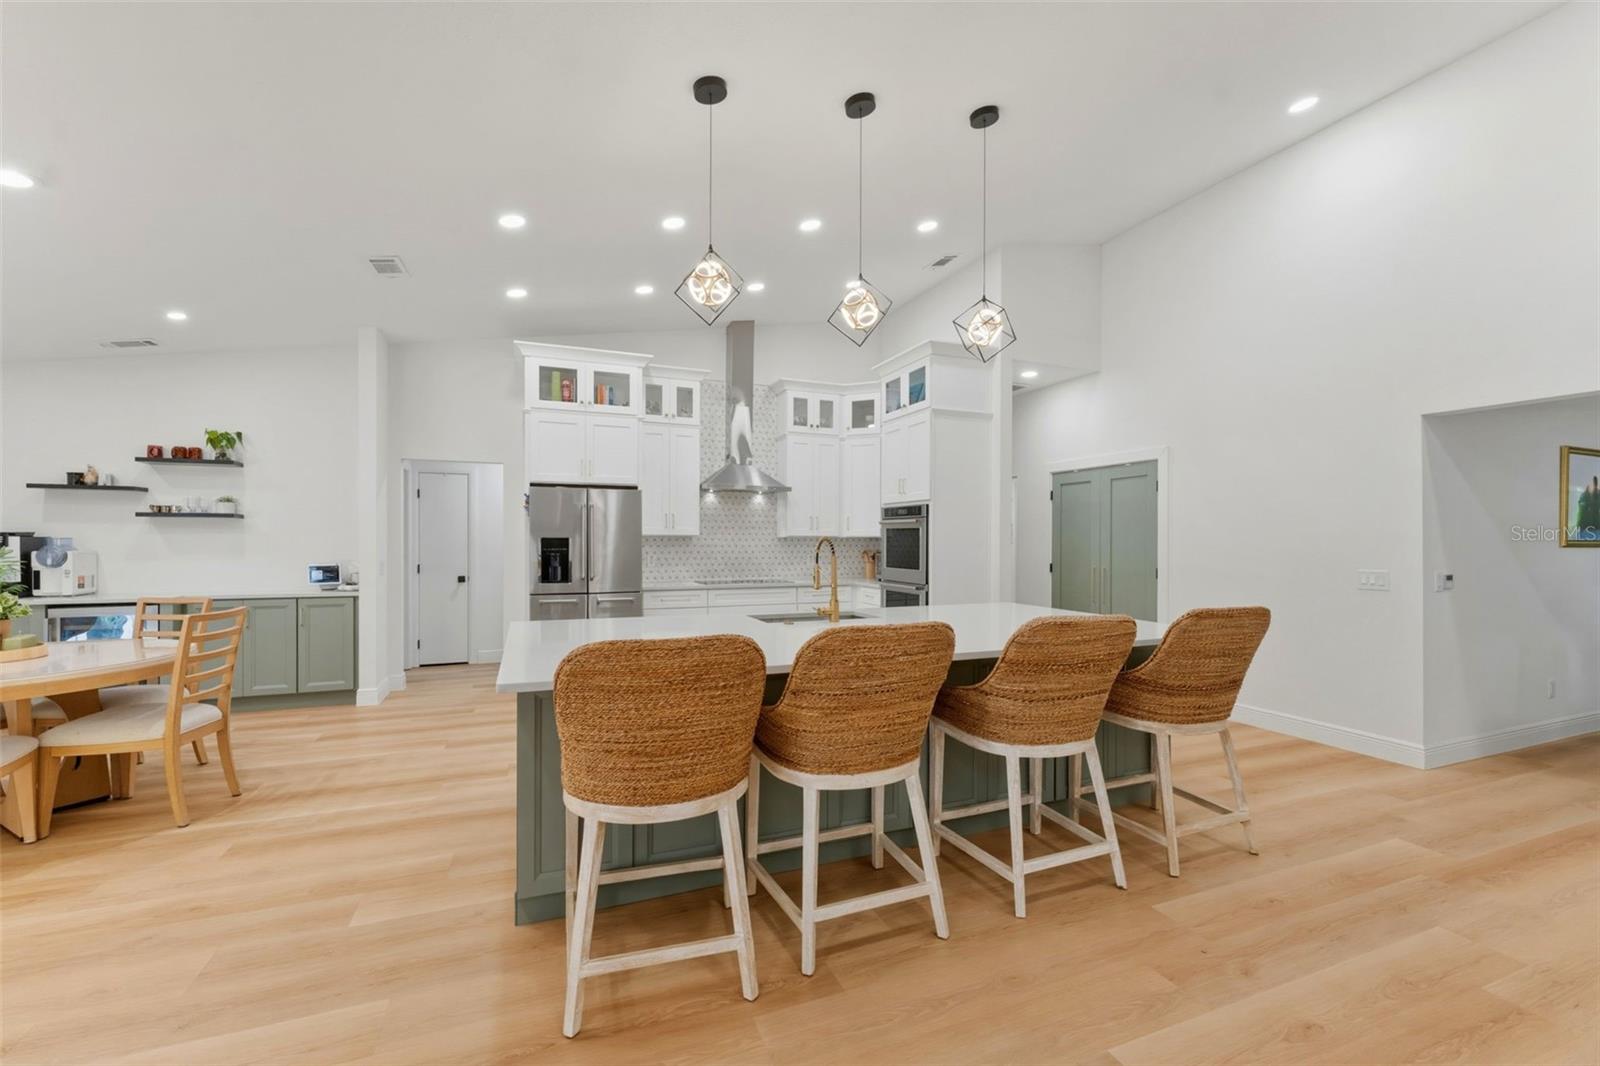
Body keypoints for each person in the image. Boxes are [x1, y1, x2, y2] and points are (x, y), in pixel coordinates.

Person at [1576, 475, 1600, 540]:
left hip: (1596, 527)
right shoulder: (1584, 496)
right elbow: (1581, 510)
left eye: (1595, 483)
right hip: (1584, 528)